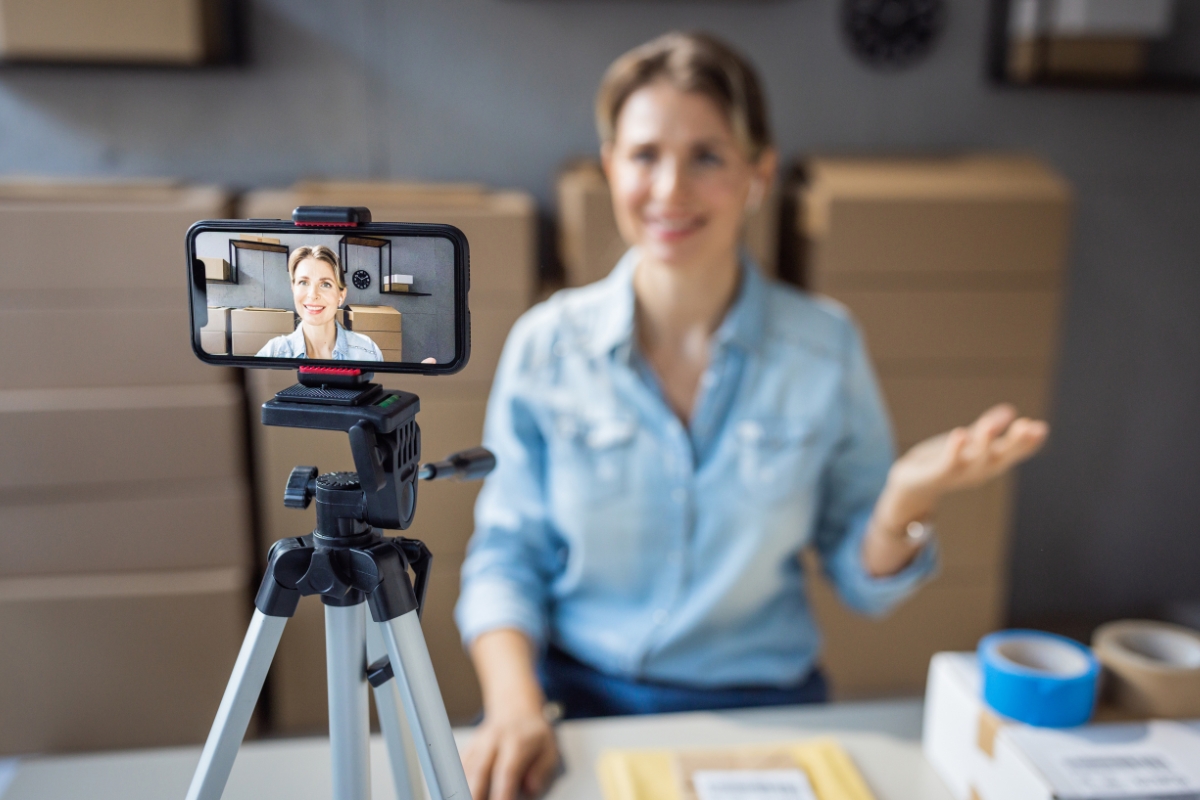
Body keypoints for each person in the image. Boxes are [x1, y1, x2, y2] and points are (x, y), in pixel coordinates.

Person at [455, 32, 1049, 800]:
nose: (670, 188)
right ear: (610, 166)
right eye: (643, 155)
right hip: (575, 704)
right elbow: (506, 556)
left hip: (766, 713)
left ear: (758, 173)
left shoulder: (825, 346)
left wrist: (904, 498)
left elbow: (859, 578)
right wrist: (513, 708)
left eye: (707, 156)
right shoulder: (547, 346)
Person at [256, 245, 384, 361]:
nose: (313, 294)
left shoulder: (369, 352)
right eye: (304, 282)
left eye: (325, 284)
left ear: (341, 295)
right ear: (293, 288)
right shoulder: (272, 353)